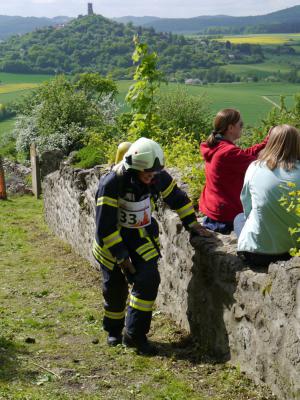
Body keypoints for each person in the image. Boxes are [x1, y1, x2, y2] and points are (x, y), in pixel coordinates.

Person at [93, 137, 210, 355]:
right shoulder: (111, 184)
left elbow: (177, 197)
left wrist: (192, 224)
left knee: (148, 280)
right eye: (147, 173)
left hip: (140, 237)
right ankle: (113, 330)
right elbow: (105, 226)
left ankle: (134, 336)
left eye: (155, 173)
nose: (152, 177)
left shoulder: (156, 176)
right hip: (112, 243)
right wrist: (121, 257)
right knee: (115, 290)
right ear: (133, 167)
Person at [234, 124, 300, 267]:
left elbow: (247, 206)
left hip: (257, 254)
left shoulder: (255, 167)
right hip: (294, 251)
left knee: (239, 218)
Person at [199, 108, 270, 234]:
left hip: (214, 209)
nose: (242, 127)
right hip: (225, 215)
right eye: (240, 125)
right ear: (231, 128)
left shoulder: (216, 145)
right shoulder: (227, 152)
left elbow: (242, 155)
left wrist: (266, 143)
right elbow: (258, 166)